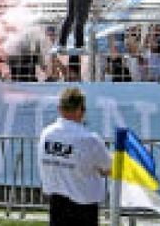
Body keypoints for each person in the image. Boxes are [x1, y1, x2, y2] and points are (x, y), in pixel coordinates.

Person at [37, 87, 111, 226]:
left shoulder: (46, 133)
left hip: (56, 201)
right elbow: (108, 168)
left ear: (59, 109)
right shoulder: (88, 139)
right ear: (79, 110)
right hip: (83, 204)